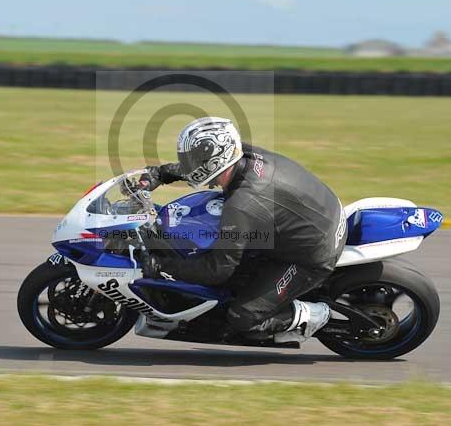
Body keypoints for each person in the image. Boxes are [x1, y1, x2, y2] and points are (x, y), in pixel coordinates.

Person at [138, 116, 347, 343]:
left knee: (243, 317)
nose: (189, 164)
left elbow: (217, 270)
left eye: (192, 159)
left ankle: (315, 314)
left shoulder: (241, 205)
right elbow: (205, 165)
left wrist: (161, 267)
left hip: (314, 253)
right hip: (322, 212)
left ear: (215, 159)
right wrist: (162, 173)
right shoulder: (243, 155)